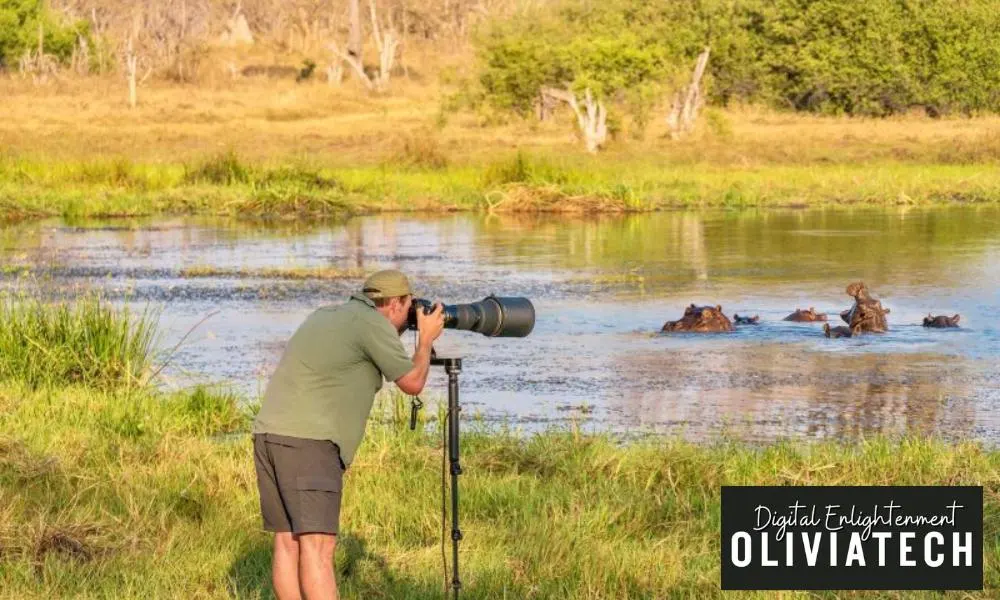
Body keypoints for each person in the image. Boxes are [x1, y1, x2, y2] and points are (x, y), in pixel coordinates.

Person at [252, 269, 444, 600]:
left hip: (269, 435)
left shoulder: (329, 315)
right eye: (410, 307)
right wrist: (425, 339)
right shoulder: (372, 324)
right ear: (396, 304)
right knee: (318, 547)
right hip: (309, 444)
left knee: (288, 541)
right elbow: (412, 382)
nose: (410, 316)